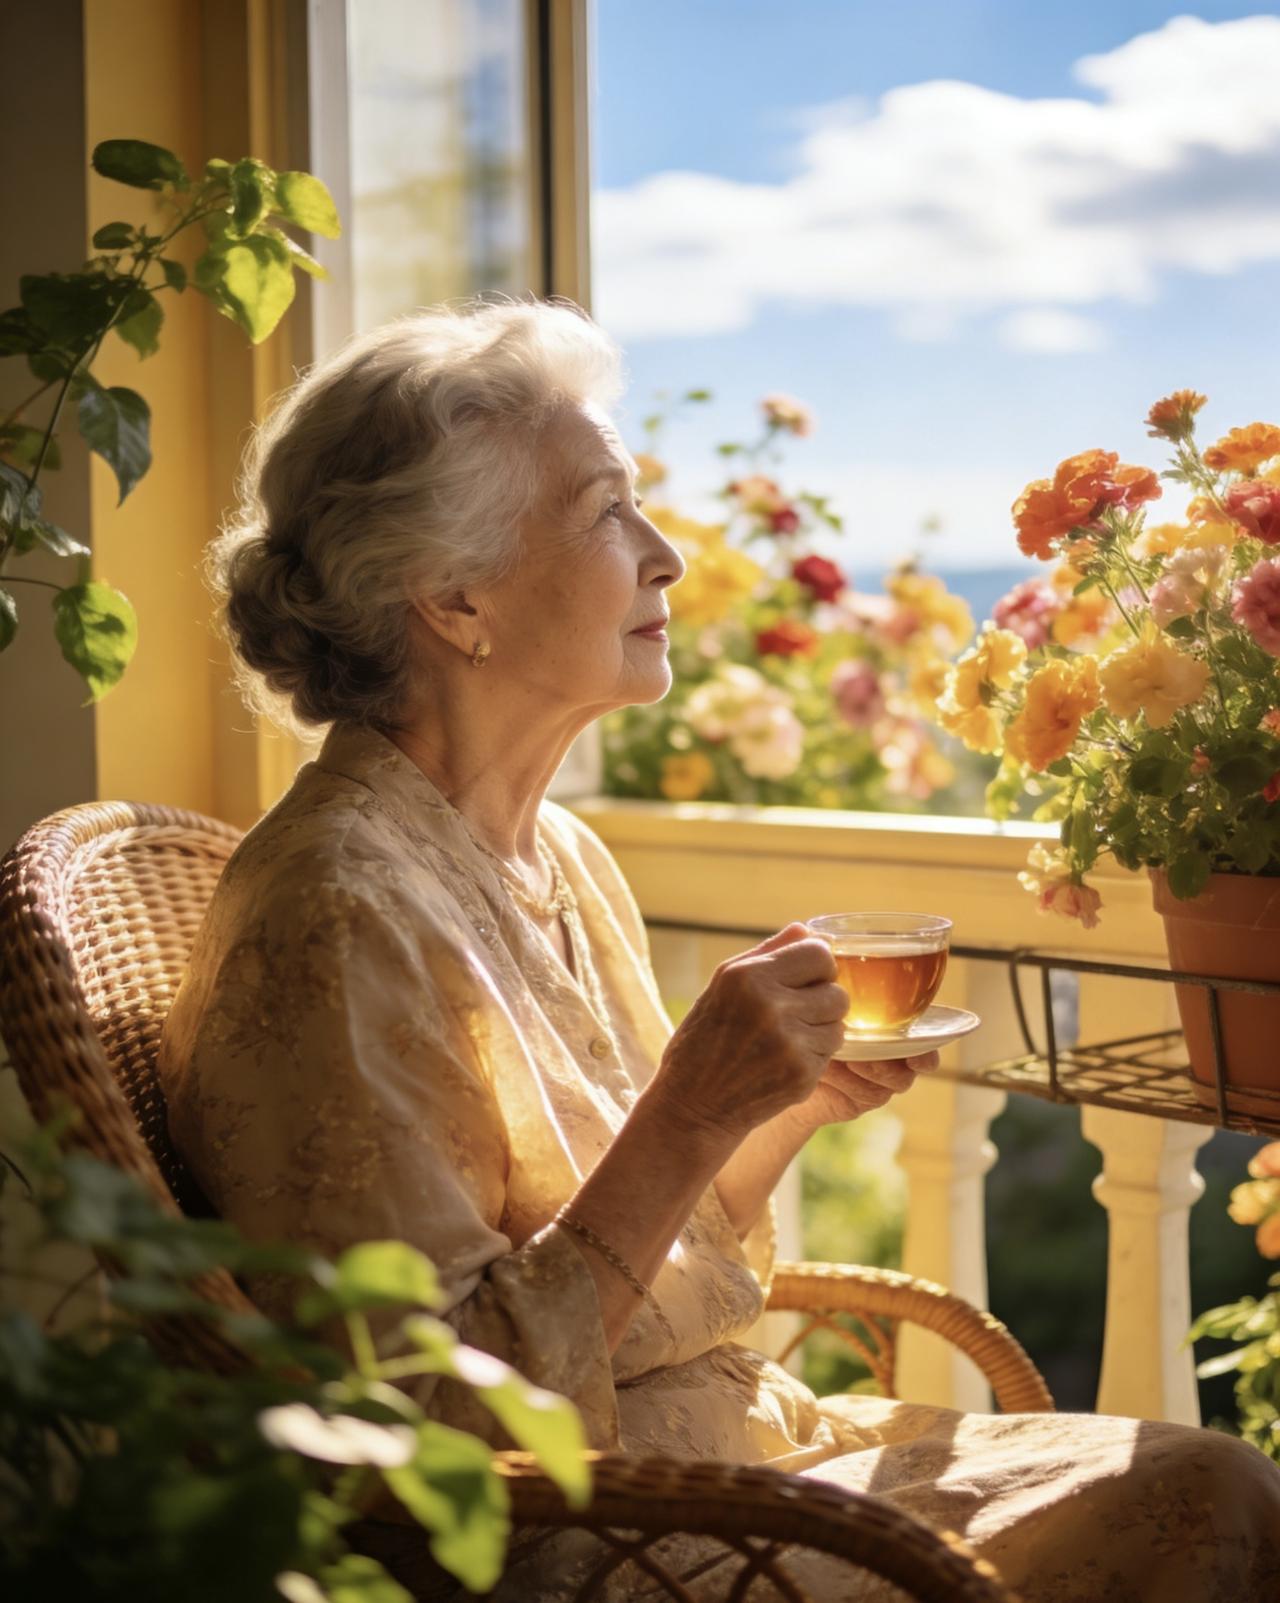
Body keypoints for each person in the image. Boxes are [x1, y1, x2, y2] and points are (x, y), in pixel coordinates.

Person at [159, 297, 1280, 1601]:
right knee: (1216, 1497)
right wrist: (688, 1116)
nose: (666, 557)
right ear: (455, 596)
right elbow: (435, 1440)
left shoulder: (556, 858)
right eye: (605, 510)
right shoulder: (336, 914)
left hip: (748, 1460)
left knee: (1198, 1471)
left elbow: (633, 1258)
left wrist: (768, 1115)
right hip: (612, 1539)